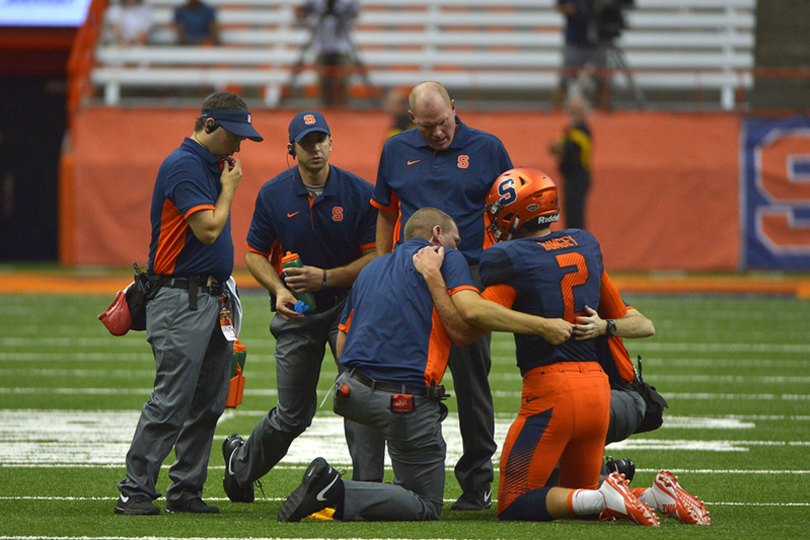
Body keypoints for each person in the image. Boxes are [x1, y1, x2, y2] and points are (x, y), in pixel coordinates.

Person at [419, 167, 709, 525]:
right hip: (598, 393)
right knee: (583, 499)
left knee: (512, 503)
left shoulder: (511, 258)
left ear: (514, 213)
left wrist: (438, 277)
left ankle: (617, 493)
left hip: (552, 392)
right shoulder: (584, 246)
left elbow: (472, 317)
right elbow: (642, 324)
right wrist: (606, 326)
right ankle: (654, 495)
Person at [276, 207, 573, 522]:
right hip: (403, 400)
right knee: (426, 504)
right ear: (437, 235)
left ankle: (353, 491)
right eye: (454, 240)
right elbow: (462, 331)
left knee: (377, 481)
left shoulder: (374, 267)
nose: (457, 248)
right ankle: (334, 489)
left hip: (352, 392)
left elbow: (342, 341)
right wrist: (435, 280)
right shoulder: (446, 258)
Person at [115, 92, 263, 515]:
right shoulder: (183, 165)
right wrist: (230, 189)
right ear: (209, 126)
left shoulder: (208, 164)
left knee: (209, 401)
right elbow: (208, 230)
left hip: (211, 297)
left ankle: (186, 490)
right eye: (234, 136)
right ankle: (135, 490)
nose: (238, 147)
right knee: (172, 399)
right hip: (181, 297)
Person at [221, 110, 378, 503]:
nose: (315, 148)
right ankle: (240, 467)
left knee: (358, 397)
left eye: (320, 139)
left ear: (331, 142)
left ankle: (368, 489)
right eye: (306, 142)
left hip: (347, 307)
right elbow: (254, 254)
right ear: (292, 149)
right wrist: (278, 290)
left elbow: (376, 256)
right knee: (293, 414)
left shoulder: (359, 192)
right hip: (297, 312)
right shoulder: (274, 193)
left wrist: (326, 277)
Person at [371, 80, 512, 511]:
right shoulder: (395, 149)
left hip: (466, 273)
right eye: (428, 125)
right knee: (403, 377)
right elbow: (385, 213)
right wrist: (384, 267)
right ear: (412, 120)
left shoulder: (489, 148)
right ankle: (409, 477)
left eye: (444, 122)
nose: (437, 132)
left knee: (471, 381)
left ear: (455, 108)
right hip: (409, 275)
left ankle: (477, 482)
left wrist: (500, 274)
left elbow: (510, 215)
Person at [296, 0, 360, 106]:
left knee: (343, 78)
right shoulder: (316, 2)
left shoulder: (346, 2)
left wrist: (339, 10)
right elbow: (301, 15)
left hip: (341, 45)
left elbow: (354, 14)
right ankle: (325, 106)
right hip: (321, 45)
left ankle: (342, 107)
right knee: (322, 80)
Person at [552, 0, 608, 110]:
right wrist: (571, 11)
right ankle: (555, 111)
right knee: (566, 78)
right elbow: (561, 6)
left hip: (597, 41)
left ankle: (602, 112)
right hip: (575, 41)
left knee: (602, 78)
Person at [549, 94, 592, 230]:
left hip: (578, 177)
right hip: (569, 178)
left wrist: (560, 147)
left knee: (576, 215)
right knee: (569, 214)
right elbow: (553, 147)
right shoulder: (570, 131)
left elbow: (571, 150)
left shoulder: (582, 131)